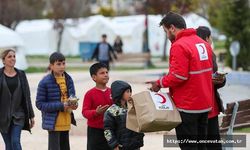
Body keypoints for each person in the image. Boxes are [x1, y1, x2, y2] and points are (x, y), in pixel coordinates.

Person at [147, 12, 213, 150]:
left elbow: (179, 76)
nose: (167, 35)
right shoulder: (203, 43)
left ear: (172, 28)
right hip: (205, 104)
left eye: (166, 31)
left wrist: (159, 83)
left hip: (188, 106)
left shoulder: (179, 45)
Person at [36, 52, 77, 150]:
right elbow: (39, 104)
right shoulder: (44, 82)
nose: (62, 66)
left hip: (66, 121)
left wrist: (74, 104)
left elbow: (72, 96)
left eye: (63, 63)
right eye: (58, 64)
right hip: (53, 123)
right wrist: (61, 105)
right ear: (51, 66)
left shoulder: (68, 79)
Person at [197, 26, 226, 150]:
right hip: (207, 107)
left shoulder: (208, 53)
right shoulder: (208, 53)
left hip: (204, 107)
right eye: (211, 38)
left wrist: (220, 80)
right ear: (207, 38)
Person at [0, 49, 35, 150]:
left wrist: (31, 115)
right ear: (3, 60)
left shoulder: (21, 75)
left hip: (18, 115)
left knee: (15, 141)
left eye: (14, 56)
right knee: (9, 145)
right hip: (2, 117)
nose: (13, 59)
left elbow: (27, 96)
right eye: (9, 57)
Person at [104, 80, 144, 150]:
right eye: (127, 92)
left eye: (130, 91)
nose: (130, 94)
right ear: (119, 93)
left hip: (135, 145)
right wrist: (114, 145)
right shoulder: (111, 111)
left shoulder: (133, 107)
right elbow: (108, 131)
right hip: (121, 147)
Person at [82, 62, 113, 150]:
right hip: (95, 131)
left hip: (111, 129)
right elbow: (85, 112)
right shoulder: (89, 94)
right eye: (102, 73)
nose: (106, 75)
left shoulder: (113, 92)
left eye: (107, 72)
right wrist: (96, 112)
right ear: (94, 77)